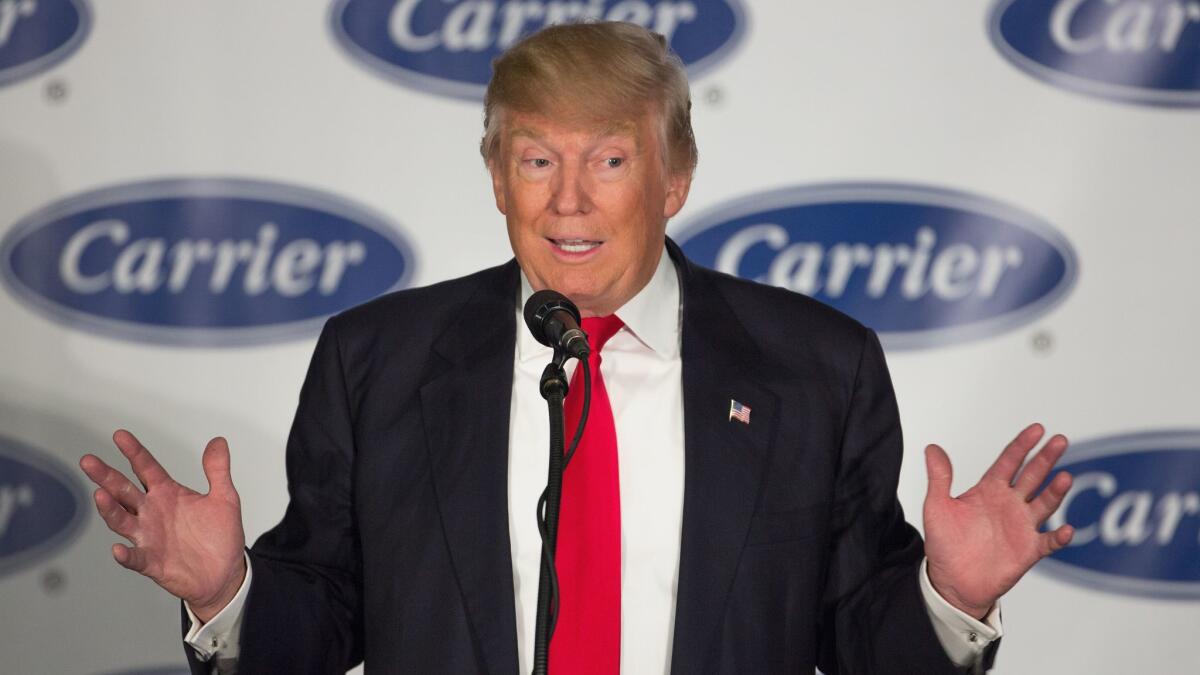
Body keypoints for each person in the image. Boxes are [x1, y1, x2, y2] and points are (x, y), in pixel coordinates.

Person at [78, 22, 1075, 675]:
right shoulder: (376, 360)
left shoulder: (818, 367)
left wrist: (948, 599)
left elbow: (863, 643)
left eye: (608, 158)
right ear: (498, 177)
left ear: (674, 175)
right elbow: (328, 611)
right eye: (536, 160)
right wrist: (227, 595)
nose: (568, 200)